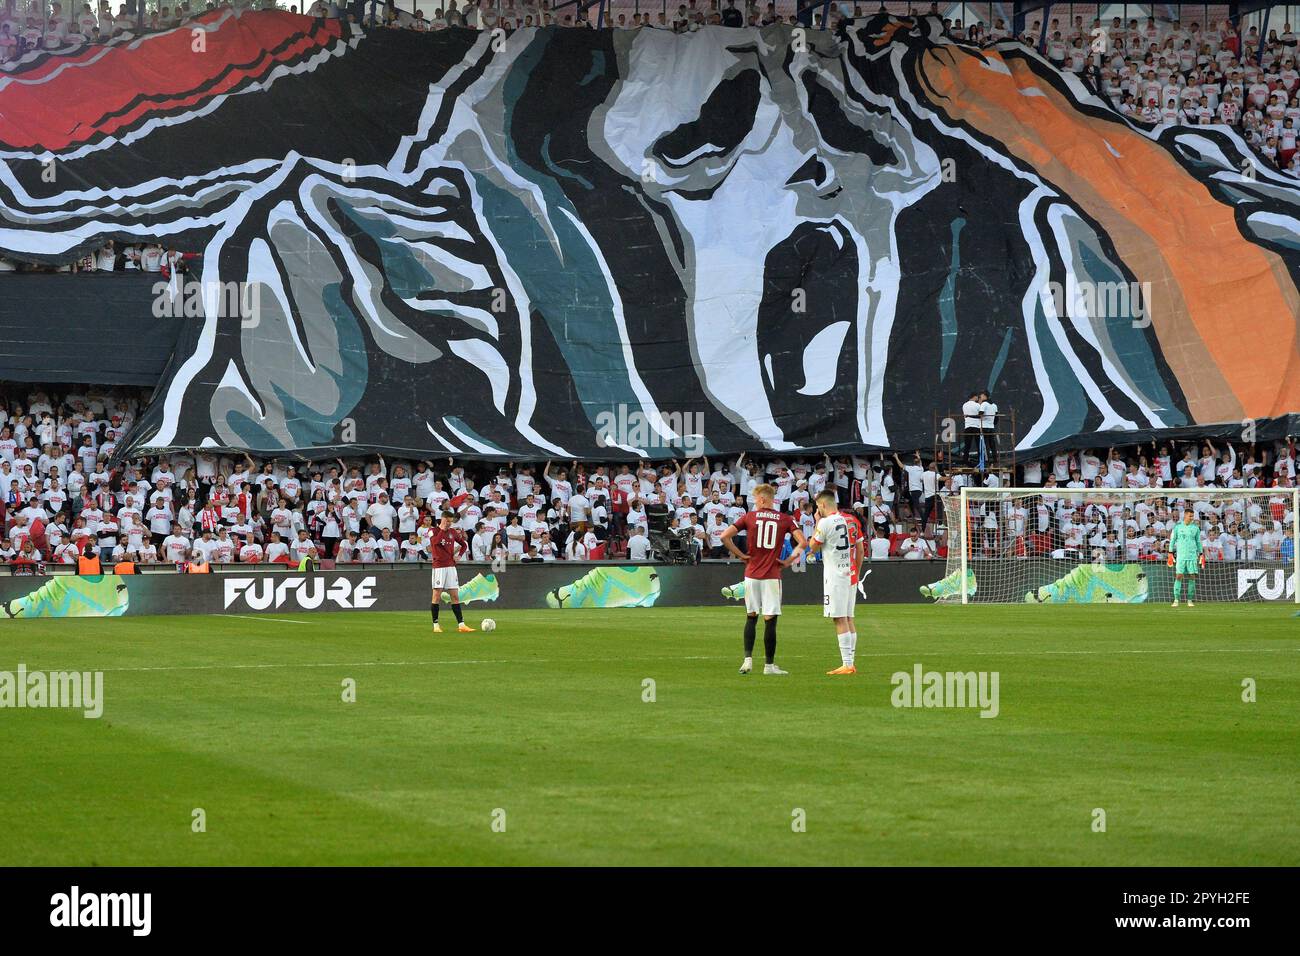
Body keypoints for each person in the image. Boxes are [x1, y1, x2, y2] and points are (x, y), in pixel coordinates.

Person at [719, 483, 807, 676]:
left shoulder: (750, 516)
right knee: (770, 620)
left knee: (751, 616)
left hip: (751, 575)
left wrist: (741, 556)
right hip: (771, 576)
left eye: (756, 499)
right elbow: (803, 542)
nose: (755, 503)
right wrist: (789, 561)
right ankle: (768, 666)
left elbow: (724, 536)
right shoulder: (785, 519)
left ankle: (747, 661)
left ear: (763, 499)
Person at [808, 491, 866, 675]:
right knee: (849, 618)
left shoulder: (825, 522)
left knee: (839, 619)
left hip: (835, 577)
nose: (818, 510)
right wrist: (856, 572)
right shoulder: (852, 520)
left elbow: (813, 546)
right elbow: (861, 550)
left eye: (818, 507)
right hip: (851, 575)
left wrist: (817, 522)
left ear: (823, 505)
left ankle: (847, 664)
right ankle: (851, 662)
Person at [429, 508, 475, 633]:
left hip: (451, 566)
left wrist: (459, 556)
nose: (449, 523)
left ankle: (461, 625)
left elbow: (464, 544)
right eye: (448, 521)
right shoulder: (433, 531)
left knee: (455, 596)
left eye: (451, 521)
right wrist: (442, 530)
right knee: (436, 596)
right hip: (439, 567)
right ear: (442, 519)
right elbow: (435, 543)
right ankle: (436, 625)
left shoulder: (453, 532)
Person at [1169, 507, 1203, 607]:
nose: (1192, 518)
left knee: (1192, 576)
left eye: (1193, 516)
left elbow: (1198, 542)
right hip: (1181, 556)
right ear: (1185, 515)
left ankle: (1189, 600)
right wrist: (1170, 552)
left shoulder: (1195, 528)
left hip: (1192, 556)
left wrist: (1201, 553)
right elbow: (1172, 540)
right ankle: (1176, 600)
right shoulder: (1177, 527)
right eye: (1190, 516)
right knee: (1179, 576)